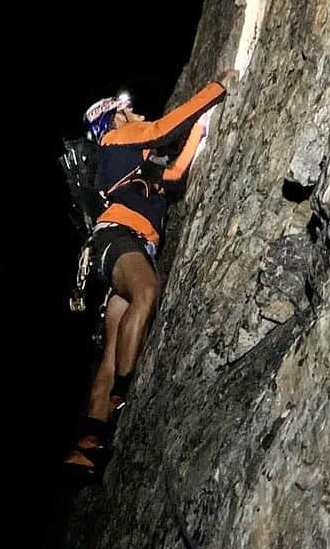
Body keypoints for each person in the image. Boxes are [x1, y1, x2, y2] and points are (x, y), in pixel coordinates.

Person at [63, 77, 230, 480]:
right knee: (147, 291)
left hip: (107, 252)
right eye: (127, 109)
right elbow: (162, 129)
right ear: (114, 119)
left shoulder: (120, 161)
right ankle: (123, 390)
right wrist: (215, 90)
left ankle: (88, 442)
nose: (136, 112)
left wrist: (202, 131)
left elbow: (170, 176)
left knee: (112, 343)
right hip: (121, 241)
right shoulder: (121, 140)